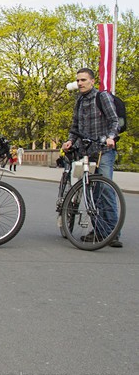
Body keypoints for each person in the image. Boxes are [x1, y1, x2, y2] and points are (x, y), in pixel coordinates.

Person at [62, 67, 121, 247]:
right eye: (78, 80)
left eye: (83, 80)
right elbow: (75, 127)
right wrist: (70, 141)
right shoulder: (79, 101)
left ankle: (113, 233)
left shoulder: (102, 97)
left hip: (103, 149)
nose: (80, 83)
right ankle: (100, 230)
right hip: (85, 151)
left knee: (105, 190)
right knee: (92, 193)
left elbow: (114, 120)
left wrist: (111, 137)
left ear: (92, 81)